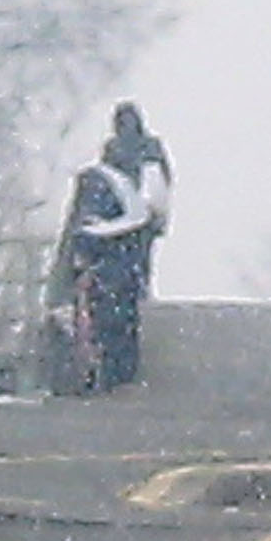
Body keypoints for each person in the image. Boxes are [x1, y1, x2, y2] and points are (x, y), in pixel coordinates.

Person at [54, 102, 172, 392]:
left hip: (107, 232)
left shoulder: (110, 156)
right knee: (126, 293)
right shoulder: (151, 150)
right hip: (133, 228)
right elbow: (157, 192)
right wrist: (155, 224)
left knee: (106, 300)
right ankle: (119, 363)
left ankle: (106, 363)